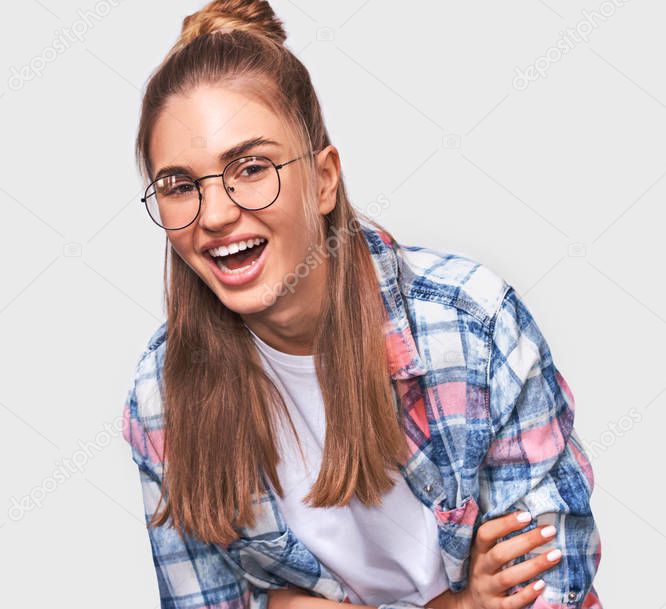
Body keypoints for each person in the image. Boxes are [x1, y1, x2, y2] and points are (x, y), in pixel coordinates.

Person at [121, 2, 603, 608]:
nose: (215, 214)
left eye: (250, 167)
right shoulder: (163, 395)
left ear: (323, 179)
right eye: (180, 186)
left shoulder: (471, 327)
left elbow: (552, 590)